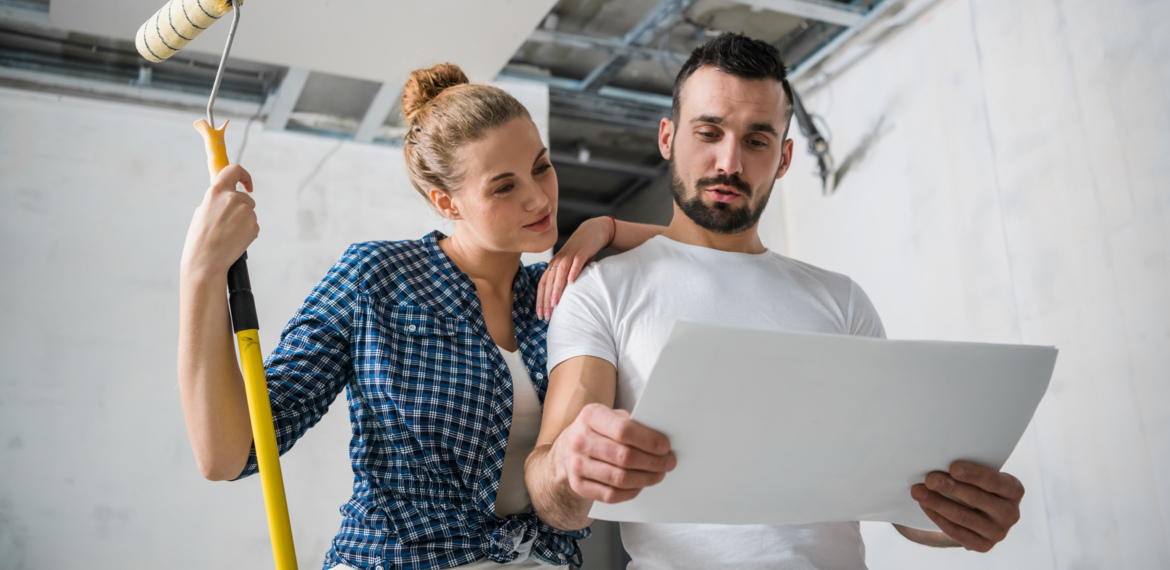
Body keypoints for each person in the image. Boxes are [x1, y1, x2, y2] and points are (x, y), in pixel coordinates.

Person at [524, 33, 1026, 569]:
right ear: (667, 137)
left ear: (785, 157)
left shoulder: (840, 300)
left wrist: (960, 516)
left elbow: (900, 501)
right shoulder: (603, 290)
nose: (729, 162)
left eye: (757, 140)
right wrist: (566, 469)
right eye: (709, 132)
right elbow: (554, 496)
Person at [177, 62, 664, 570]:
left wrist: (605, 228)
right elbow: (231, 454)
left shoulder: (562, 296)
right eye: (503, 187)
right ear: (445, 202)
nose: (539, 197)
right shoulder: (376, 279)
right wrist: (201, 274)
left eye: (541, 167)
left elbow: (707, 251)